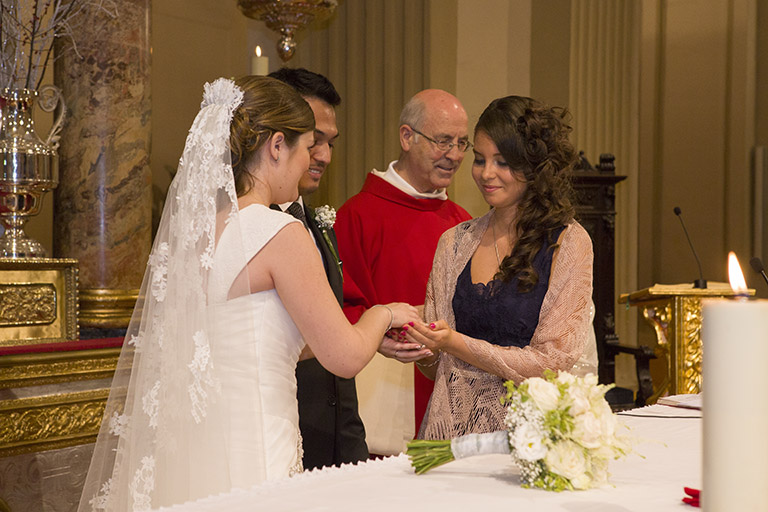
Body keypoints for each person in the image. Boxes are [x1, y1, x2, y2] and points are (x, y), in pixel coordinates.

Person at [77, 76, 419, 511]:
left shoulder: (196, 236)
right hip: (257, 447)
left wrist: (357, 334)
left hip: (200, 452)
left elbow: (252, 343)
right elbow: (345, 358)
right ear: (277, 146)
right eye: (306, 146)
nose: (310, 160)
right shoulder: (279, 231)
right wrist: (384, 314)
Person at [404, 95, 598, 440]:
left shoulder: (568, 242)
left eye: (503, 162)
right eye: (479, 159)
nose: (486, 173)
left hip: (529, 440)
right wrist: (421, 346)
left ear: (534, 167)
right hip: (451, 439)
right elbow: (435, 369)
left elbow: (553, 363)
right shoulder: (454, 243)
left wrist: (455, 342)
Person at [334, 89, 472, 454]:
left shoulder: (464, 223)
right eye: (443, 141)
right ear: (407, 137)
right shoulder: (357, 216)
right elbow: (339, 311)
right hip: (383, 402)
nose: (455, 155)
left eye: (462, 143)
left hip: (451, 399)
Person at [268, 67, 368, 470]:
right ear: (278, 138)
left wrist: (352, 447)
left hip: (336, 445)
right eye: (314, 140)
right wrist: (378, 321)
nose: (324, 155)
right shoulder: (247, 229)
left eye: (330, 142)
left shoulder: (317, 223)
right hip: (276, 442)